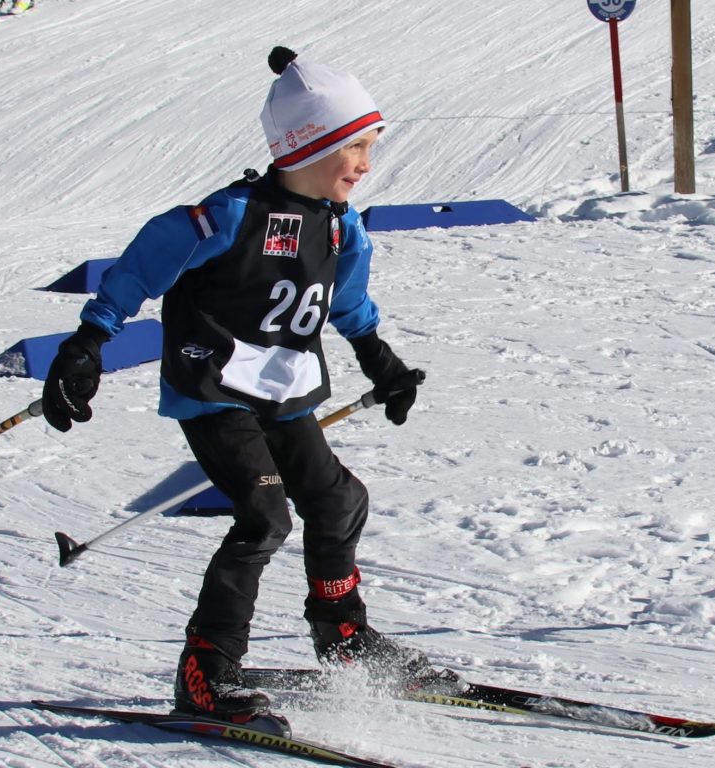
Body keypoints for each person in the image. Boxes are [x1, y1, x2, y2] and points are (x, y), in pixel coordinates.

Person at [41, 46, 428, 724]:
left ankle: (341, 634)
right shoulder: (230, 216)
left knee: (339, 500)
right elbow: (142, 265)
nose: (366, 163)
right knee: (265, 515)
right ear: (310, 143)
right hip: (213, 385)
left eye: (371, 146)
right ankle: (206, 668)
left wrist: (382, 362)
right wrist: (88, 342)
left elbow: (348, 303)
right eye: (357, 146)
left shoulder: (342, 227)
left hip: (284, 387)